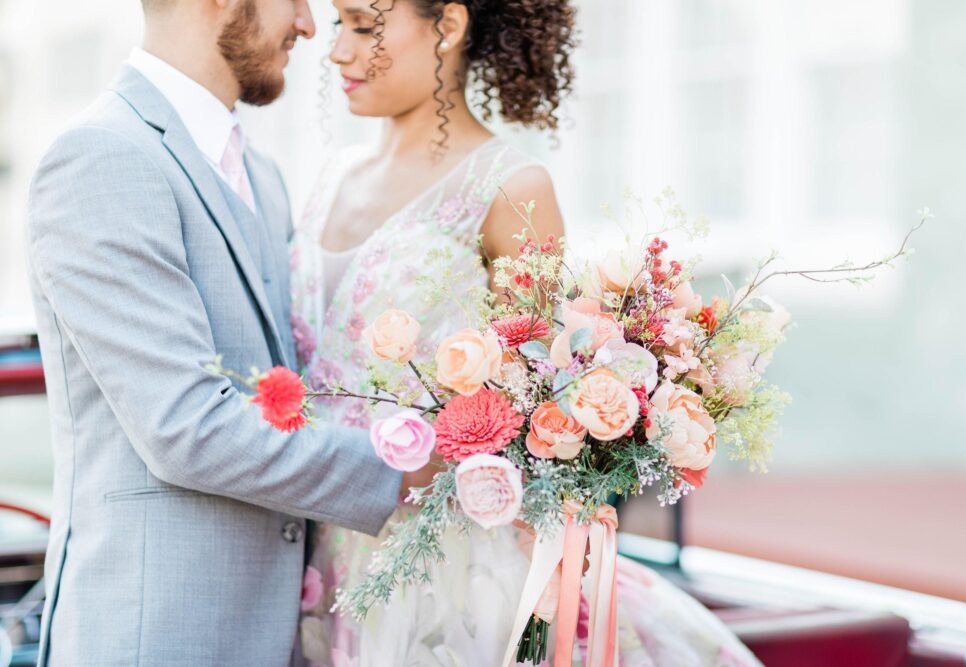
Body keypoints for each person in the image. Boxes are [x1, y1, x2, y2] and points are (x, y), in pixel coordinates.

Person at [292, 1, 763, 664]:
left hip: (437, 566)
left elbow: (539, 397)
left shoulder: (512, 187)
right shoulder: (328, 177)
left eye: (363, 27)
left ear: (448, 27)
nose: (337, 51)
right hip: (303, 538)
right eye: (338, 25)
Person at [26, 1, 435, 664]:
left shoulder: (265, 179)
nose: (307, 25)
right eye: (294, 0)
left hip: (278, 632)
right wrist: (405, 468)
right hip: (156, 636)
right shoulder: (101, 157)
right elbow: (185, 425)